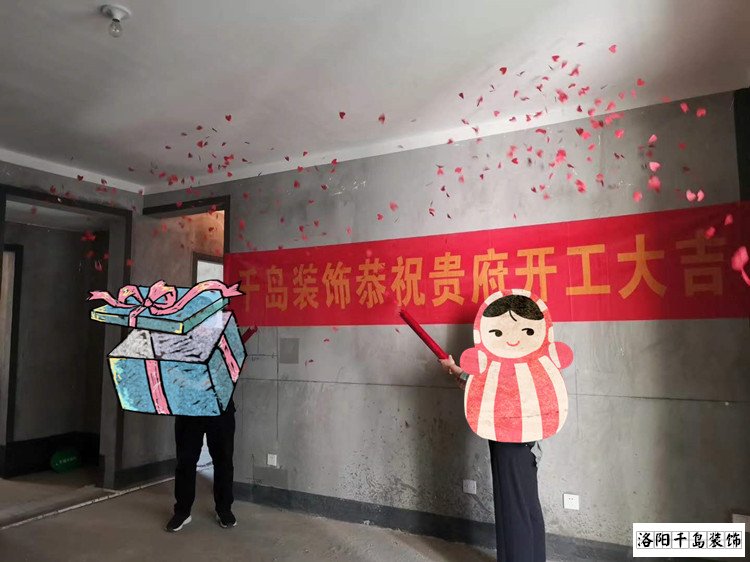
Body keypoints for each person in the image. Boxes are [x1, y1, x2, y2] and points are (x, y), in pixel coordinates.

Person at [439, 290, 573, 562]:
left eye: (523, 330)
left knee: (513, 507)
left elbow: (490, 388)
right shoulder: (523, 366)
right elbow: (485, 387)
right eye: (500, 332)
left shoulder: (529, 366)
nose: (511, 339)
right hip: (524, 442)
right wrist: (456, 370)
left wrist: (456, 371)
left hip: (512, 443)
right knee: (526, 503)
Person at [165, 399, 237, 532]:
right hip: (188, 409)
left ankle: (224, 510)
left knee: (224, 461)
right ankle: (182, 512)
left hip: (220, 408)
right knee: (185, 462)